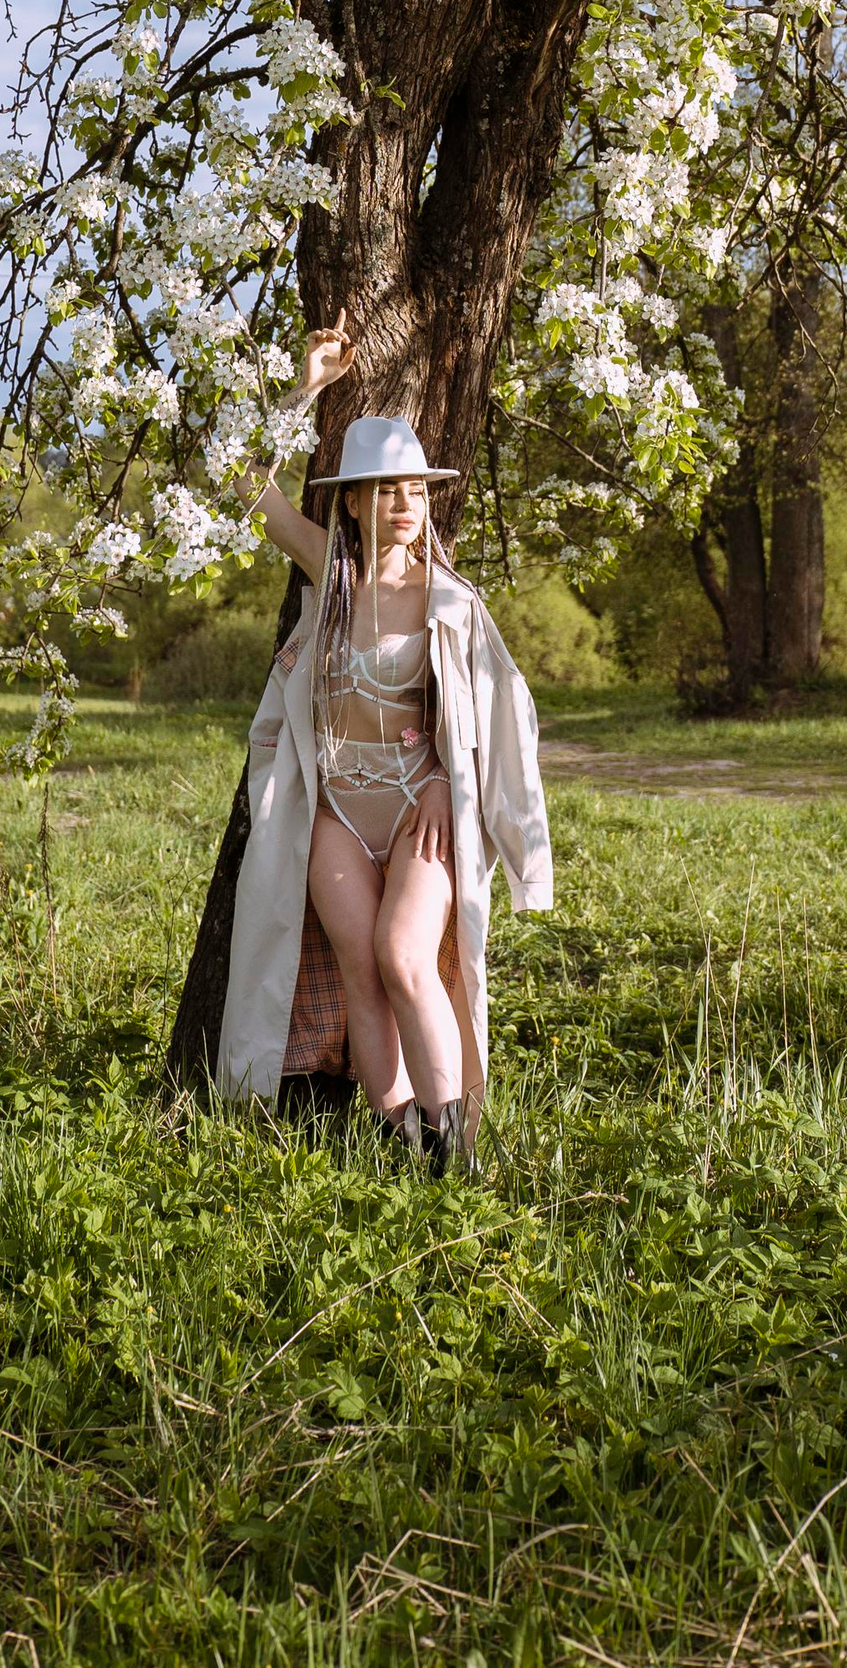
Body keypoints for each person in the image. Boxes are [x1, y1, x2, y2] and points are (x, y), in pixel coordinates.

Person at [211, 328, 552, 1168]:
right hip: (333, 804)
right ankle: (400, 1134)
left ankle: (456, 1139)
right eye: (385, 490)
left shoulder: (449, 600)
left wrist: (443, 781)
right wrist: (303, 388)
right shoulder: (332, 574)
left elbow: (491, 716)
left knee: (406, 955)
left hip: (414, 806)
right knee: (362, 970)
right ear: (354, 502)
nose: (405, 504)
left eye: (416, 491)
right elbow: (243, 486)